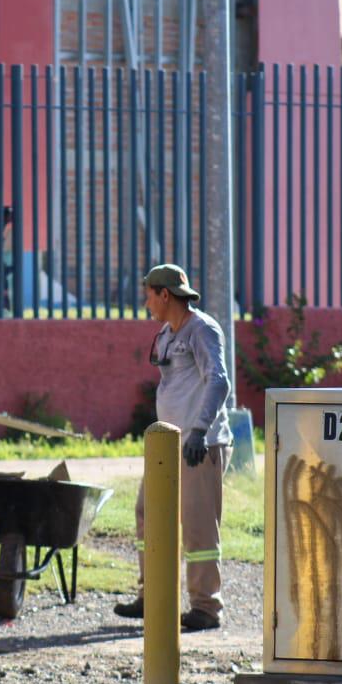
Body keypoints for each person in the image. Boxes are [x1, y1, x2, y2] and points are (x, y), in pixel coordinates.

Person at [114, 264, 232, 631]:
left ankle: (205, 608)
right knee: (148, 513)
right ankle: (154, 597)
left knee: (198, 529)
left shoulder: (203, 330)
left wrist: (198, 431)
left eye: (149, 293)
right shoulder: (167, 333)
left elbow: (219, 381)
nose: (146, 301)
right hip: (168, 443)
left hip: (200, 444)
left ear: (165, 294)